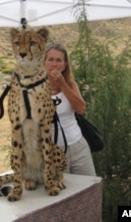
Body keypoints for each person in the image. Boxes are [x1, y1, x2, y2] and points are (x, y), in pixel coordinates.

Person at [44, 43, 96, 176]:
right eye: (50, 59)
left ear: (65, 65)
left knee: (88, 187)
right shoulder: (36, 88)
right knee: (63, 191)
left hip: (78, 145)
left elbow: (81, 108)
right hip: (53, 151)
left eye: (59, 60)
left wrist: (62, 84)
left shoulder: (70, 84)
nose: (54, 64)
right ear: (43, 63)